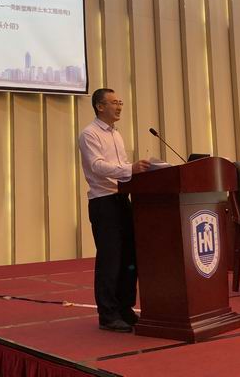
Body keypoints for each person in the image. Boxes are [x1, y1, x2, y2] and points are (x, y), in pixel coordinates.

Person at [78, 88, 151, 332]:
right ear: (100, 106)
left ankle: (124, 308)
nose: (119, 106)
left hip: (121, 198)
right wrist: (130, 169)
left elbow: (121, 166)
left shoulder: (116, 134)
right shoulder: (89, 134)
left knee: (129, 256)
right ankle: (108, 314)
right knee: (110, 258)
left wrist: (137, 172)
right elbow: (97, 166)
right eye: (114, 102)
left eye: (120, 102)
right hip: (103, 201)